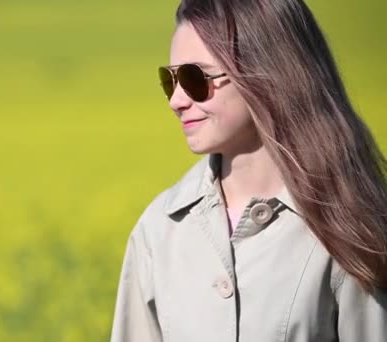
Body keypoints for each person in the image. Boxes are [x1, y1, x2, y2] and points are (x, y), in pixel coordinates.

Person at [109, 0, 387, 341]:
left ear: (268, 75)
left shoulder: (350, 228)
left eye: (195, 78)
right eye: (170, 80)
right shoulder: (160, 230)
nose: (176, 100)